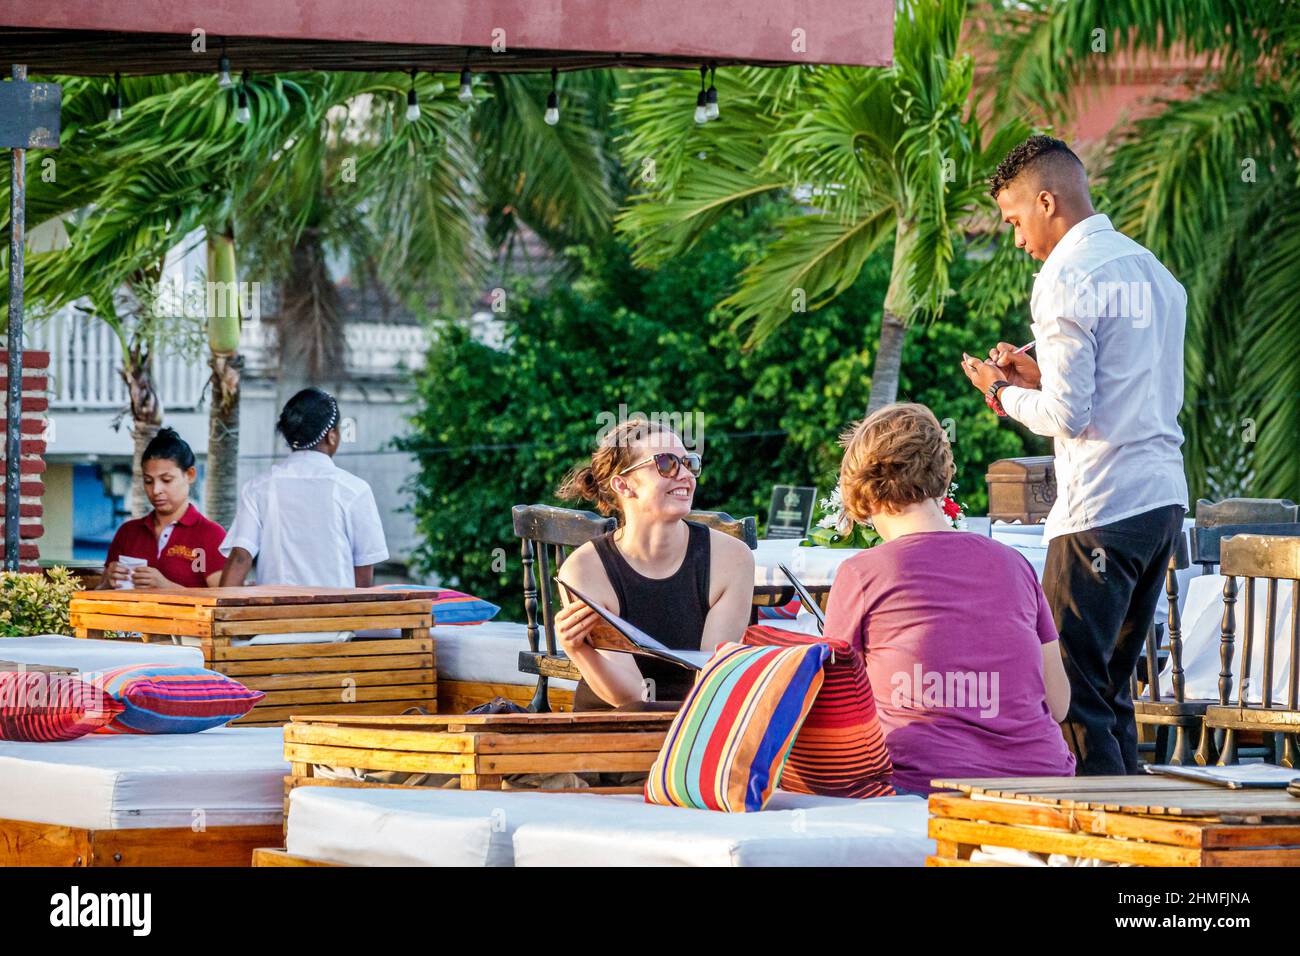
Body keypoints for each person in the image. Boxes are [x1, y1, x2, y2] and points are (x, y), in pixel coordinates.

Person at [961, 135, 1188, 774]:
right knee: (1112, 692)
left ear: (1045, 201)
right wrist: (1037, 380)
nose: (1015, 239)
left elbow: (1068, 416)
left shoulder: (1065, 275)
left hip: (1101, 507)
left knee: (1072, 697)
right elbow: (1123, 388)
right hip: (1161, 500)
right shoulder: (1153, 271)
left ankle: (1103, 846)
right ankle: (1140, 842)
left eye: (1013, 221)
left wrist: (1002, 392)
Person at [823, 403, 1074, 796]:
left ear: (858, 489)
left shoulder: (862, 574)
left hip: (924, 788)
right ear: (942, 474)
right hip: (1040, 784)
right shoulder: (1015, 564)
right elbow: (1059, 704)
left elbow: (834, 709)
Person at [553, 418, 754, 709]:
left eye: (688, 463)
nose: (685, 475)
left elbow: (712, 676)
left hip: (697, 718)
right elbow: (632, 697)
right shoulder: (584, 570)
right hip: (609, 727)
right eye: (667, 463)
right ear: (623, 485)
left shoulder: (732, 558)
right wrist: (577, 650)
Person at [219, 388, 388, 588]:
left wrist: (222, 614)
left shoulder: (258, 488)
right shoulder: (355, 490)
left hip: (276, 616)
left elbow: (241, 557)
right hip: (338, 616)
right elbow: (363, 570)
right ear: (331, 436)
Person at [101, 428, 227, 589]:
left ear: (190, 475)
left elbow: (220, 604)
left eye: (166, 480)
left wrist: (166, 587)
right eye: (148, 481)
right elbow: (99, 594)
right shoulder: (128, 533)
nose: (155, 490)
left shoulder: (210, 535)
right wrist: (107, 582)